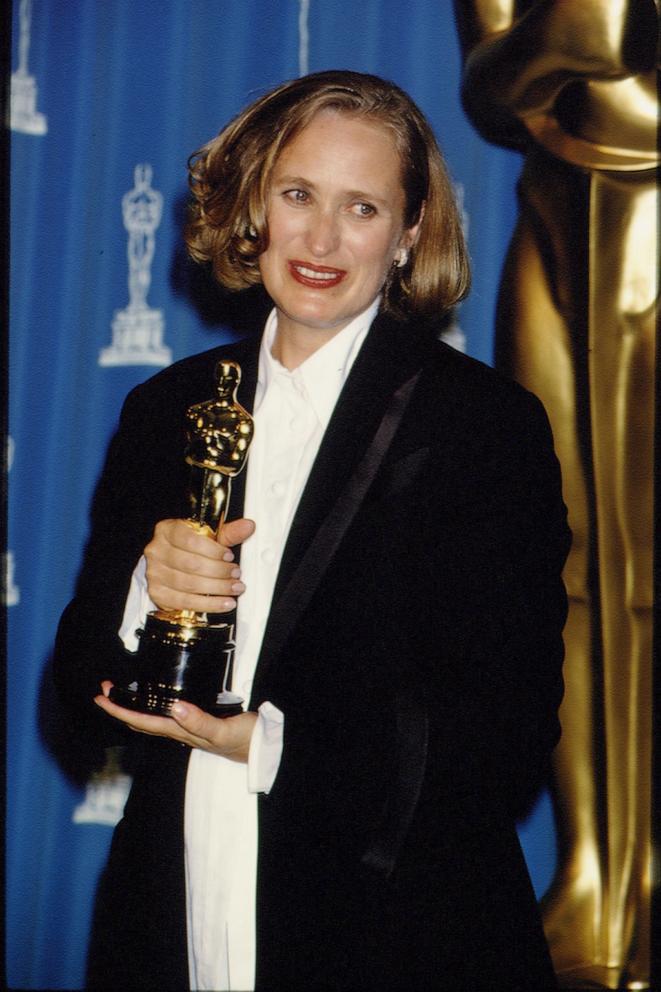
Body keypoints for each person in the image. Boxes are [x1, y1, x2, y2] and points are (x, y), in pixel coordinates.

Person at [54, 70, 571, 991]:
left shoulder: (483, 428)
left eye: (362, 207)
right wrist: (147, 588)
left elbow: (504, 738)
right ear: (255, 202)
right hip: (173, 906)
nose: (322, 238)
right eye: (298, 194)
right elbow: (70, 702)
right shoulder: (165, 407)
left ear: (410, 233)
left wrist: (262, 743)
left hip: (391, 930)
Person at [454, 3, 657, 985]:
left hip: (643, 210)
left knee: (646, 566)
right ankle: (591, 868)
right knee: (562, 564)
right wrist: (569, 37)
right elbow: (490, 91)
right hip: (556, 211)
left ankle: (647, 876)